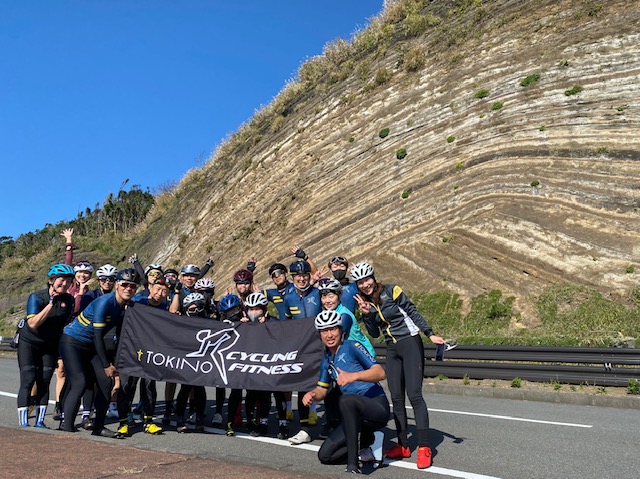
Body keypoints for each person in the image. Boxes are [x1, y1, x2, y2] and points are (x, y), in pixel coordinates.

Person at [352, 262, 445, 469]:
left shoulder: (391, 290)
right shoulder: (365, 302)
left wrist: (430, 333)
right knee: (396, 398)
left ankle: (424, 447)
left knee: (415, 395)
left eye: (367, 279)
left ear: (373, 278)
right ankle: (403, 446)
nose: (365, 284)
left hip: (410, 342)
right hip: (392, 349)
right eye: (360, 282)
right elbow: (375, 333)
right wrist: (367, 315)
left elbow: (412, 311)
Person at [303, 310, 389, 474]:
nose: (329, 335)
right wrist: (313, 394)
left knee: (346, 399)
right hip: (354, 417)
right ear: (319, 334)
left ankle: (352, 466)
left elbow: (380, 373)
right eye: (324, 331)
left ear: (341, 331)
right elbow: (322, 389)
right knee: (325, 456)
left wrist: (353, 376)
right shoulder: (326, 359)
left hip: (376, 407)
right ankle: (370, 445)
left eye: (333, 329)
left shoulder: (352, 346)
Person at [58, 268, 141, 438]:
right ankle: (66, 428)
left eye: (132, 286)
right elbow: (98, 337)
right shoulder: (105, 302)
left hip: (90, 345)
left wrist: (115, 363)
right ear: (117, 285)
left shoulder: (126, 306)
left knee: (105, 382)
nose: (128, 289)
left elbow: (120, 334)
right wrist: (106, 365)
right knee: (80, 383)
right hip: (72, 342)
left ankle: (99, 427)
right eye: (124, 284)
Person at [16, 264, 75, 427]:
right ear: (51, 280)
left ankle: (40, 421)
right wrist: (50, 303)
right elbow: (33, 323)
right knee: (28, 379)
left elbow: (65, 324)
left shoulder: (69, 300)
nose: (65, 284)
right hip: (29, 342)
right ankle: (23, 422)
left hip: (49, 344)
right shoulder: (36, 297)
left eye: (69, 282)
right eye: (62, 280)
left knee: (45, 380)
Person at [284, 259, 322, 444]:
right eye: (298, 276)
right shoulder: (288, 298)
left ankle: (334, 424)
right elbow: (285, 325)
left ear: (309, 276)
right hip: (300, 350)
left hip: (320, 347)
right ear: (292, 278)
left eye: (304, 275)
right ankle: (304, 428)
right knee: (302, 387)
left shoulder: (318, 294)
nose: (301, 279)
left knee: (327, 387)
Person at [175, 293, 209, 433]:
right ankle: (180, 418)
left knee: (200, 388)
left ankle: (200, 418)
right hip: (187, 359)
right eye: (192, 309)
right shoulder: (181, 321)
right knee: (185, 388)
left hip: (203, 359)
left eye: (199, 308)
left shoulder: (210, 322)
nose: (196, 312)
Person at [241, 292, 273, 437]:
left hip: (267, 363)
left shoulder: (273, 321)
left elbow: (285, 331)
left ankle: (264, 422)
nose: (253, 312)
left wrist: (268, 325)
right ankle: (249, 419)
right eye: (251, 309)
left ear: (264, 310)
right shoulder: (243, 323)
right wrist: (240, 326)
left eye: (257, 309)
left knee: (265, 393)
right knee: (250, 393)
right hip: (249, 363)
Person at [217, 293, 246, 437]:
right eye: (229, 313)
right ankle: (226, 419)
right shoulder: (219, 324)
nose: (233, 315)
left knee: (246, 390)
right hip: (226, 360)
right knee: (228, 388)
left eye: (235, 311)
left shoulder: (248, 320)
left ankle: (242, 419)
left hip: (245, 359)